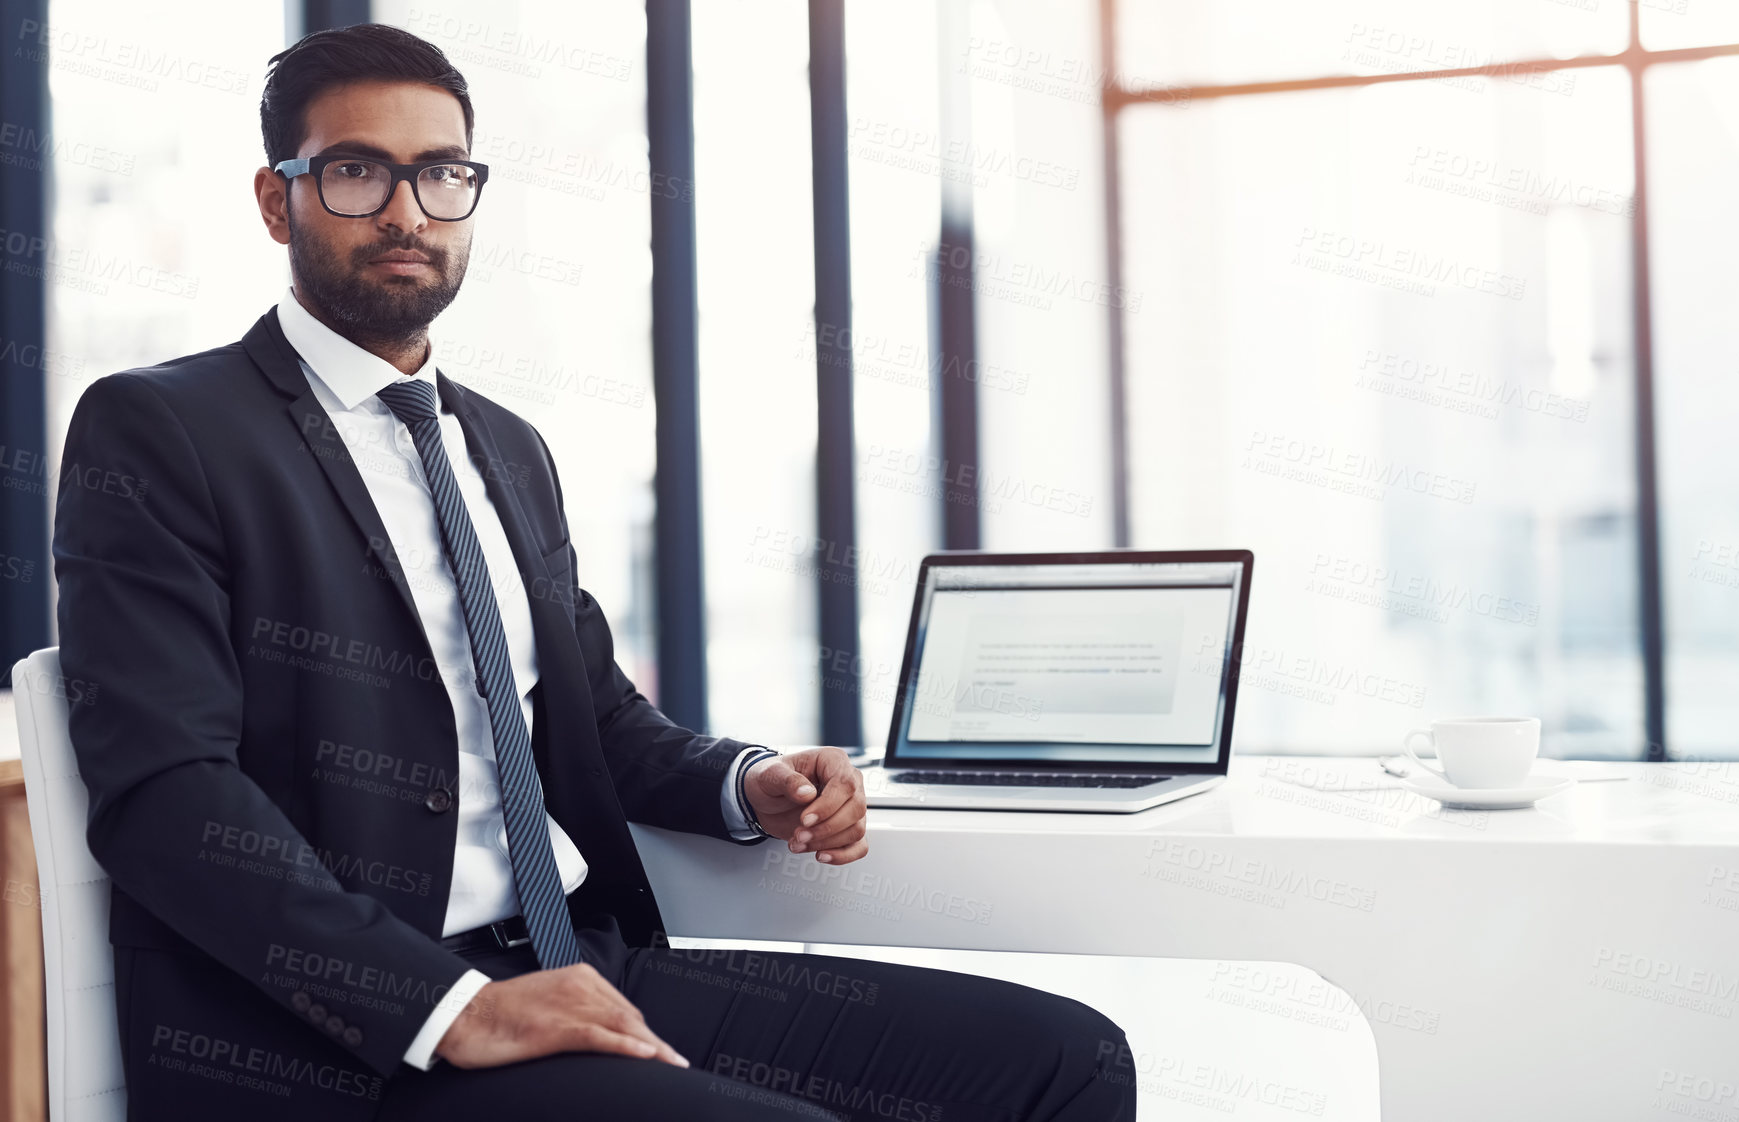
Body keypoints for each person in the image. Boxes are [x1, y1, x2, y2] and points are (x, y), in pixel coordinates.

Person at [50, 21, 1136, 1122]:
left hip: (577, 962)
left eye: (440, 174)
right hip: (355, 1041)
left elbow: (591, 719)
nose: (406, 211)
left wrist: (744, 782)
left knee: (1066, 1060)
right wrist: (446, 1005)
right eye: (355, 172)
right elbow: (166, 795)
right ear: (279, 200)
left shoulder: (503, 445)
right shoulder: (163, 427)